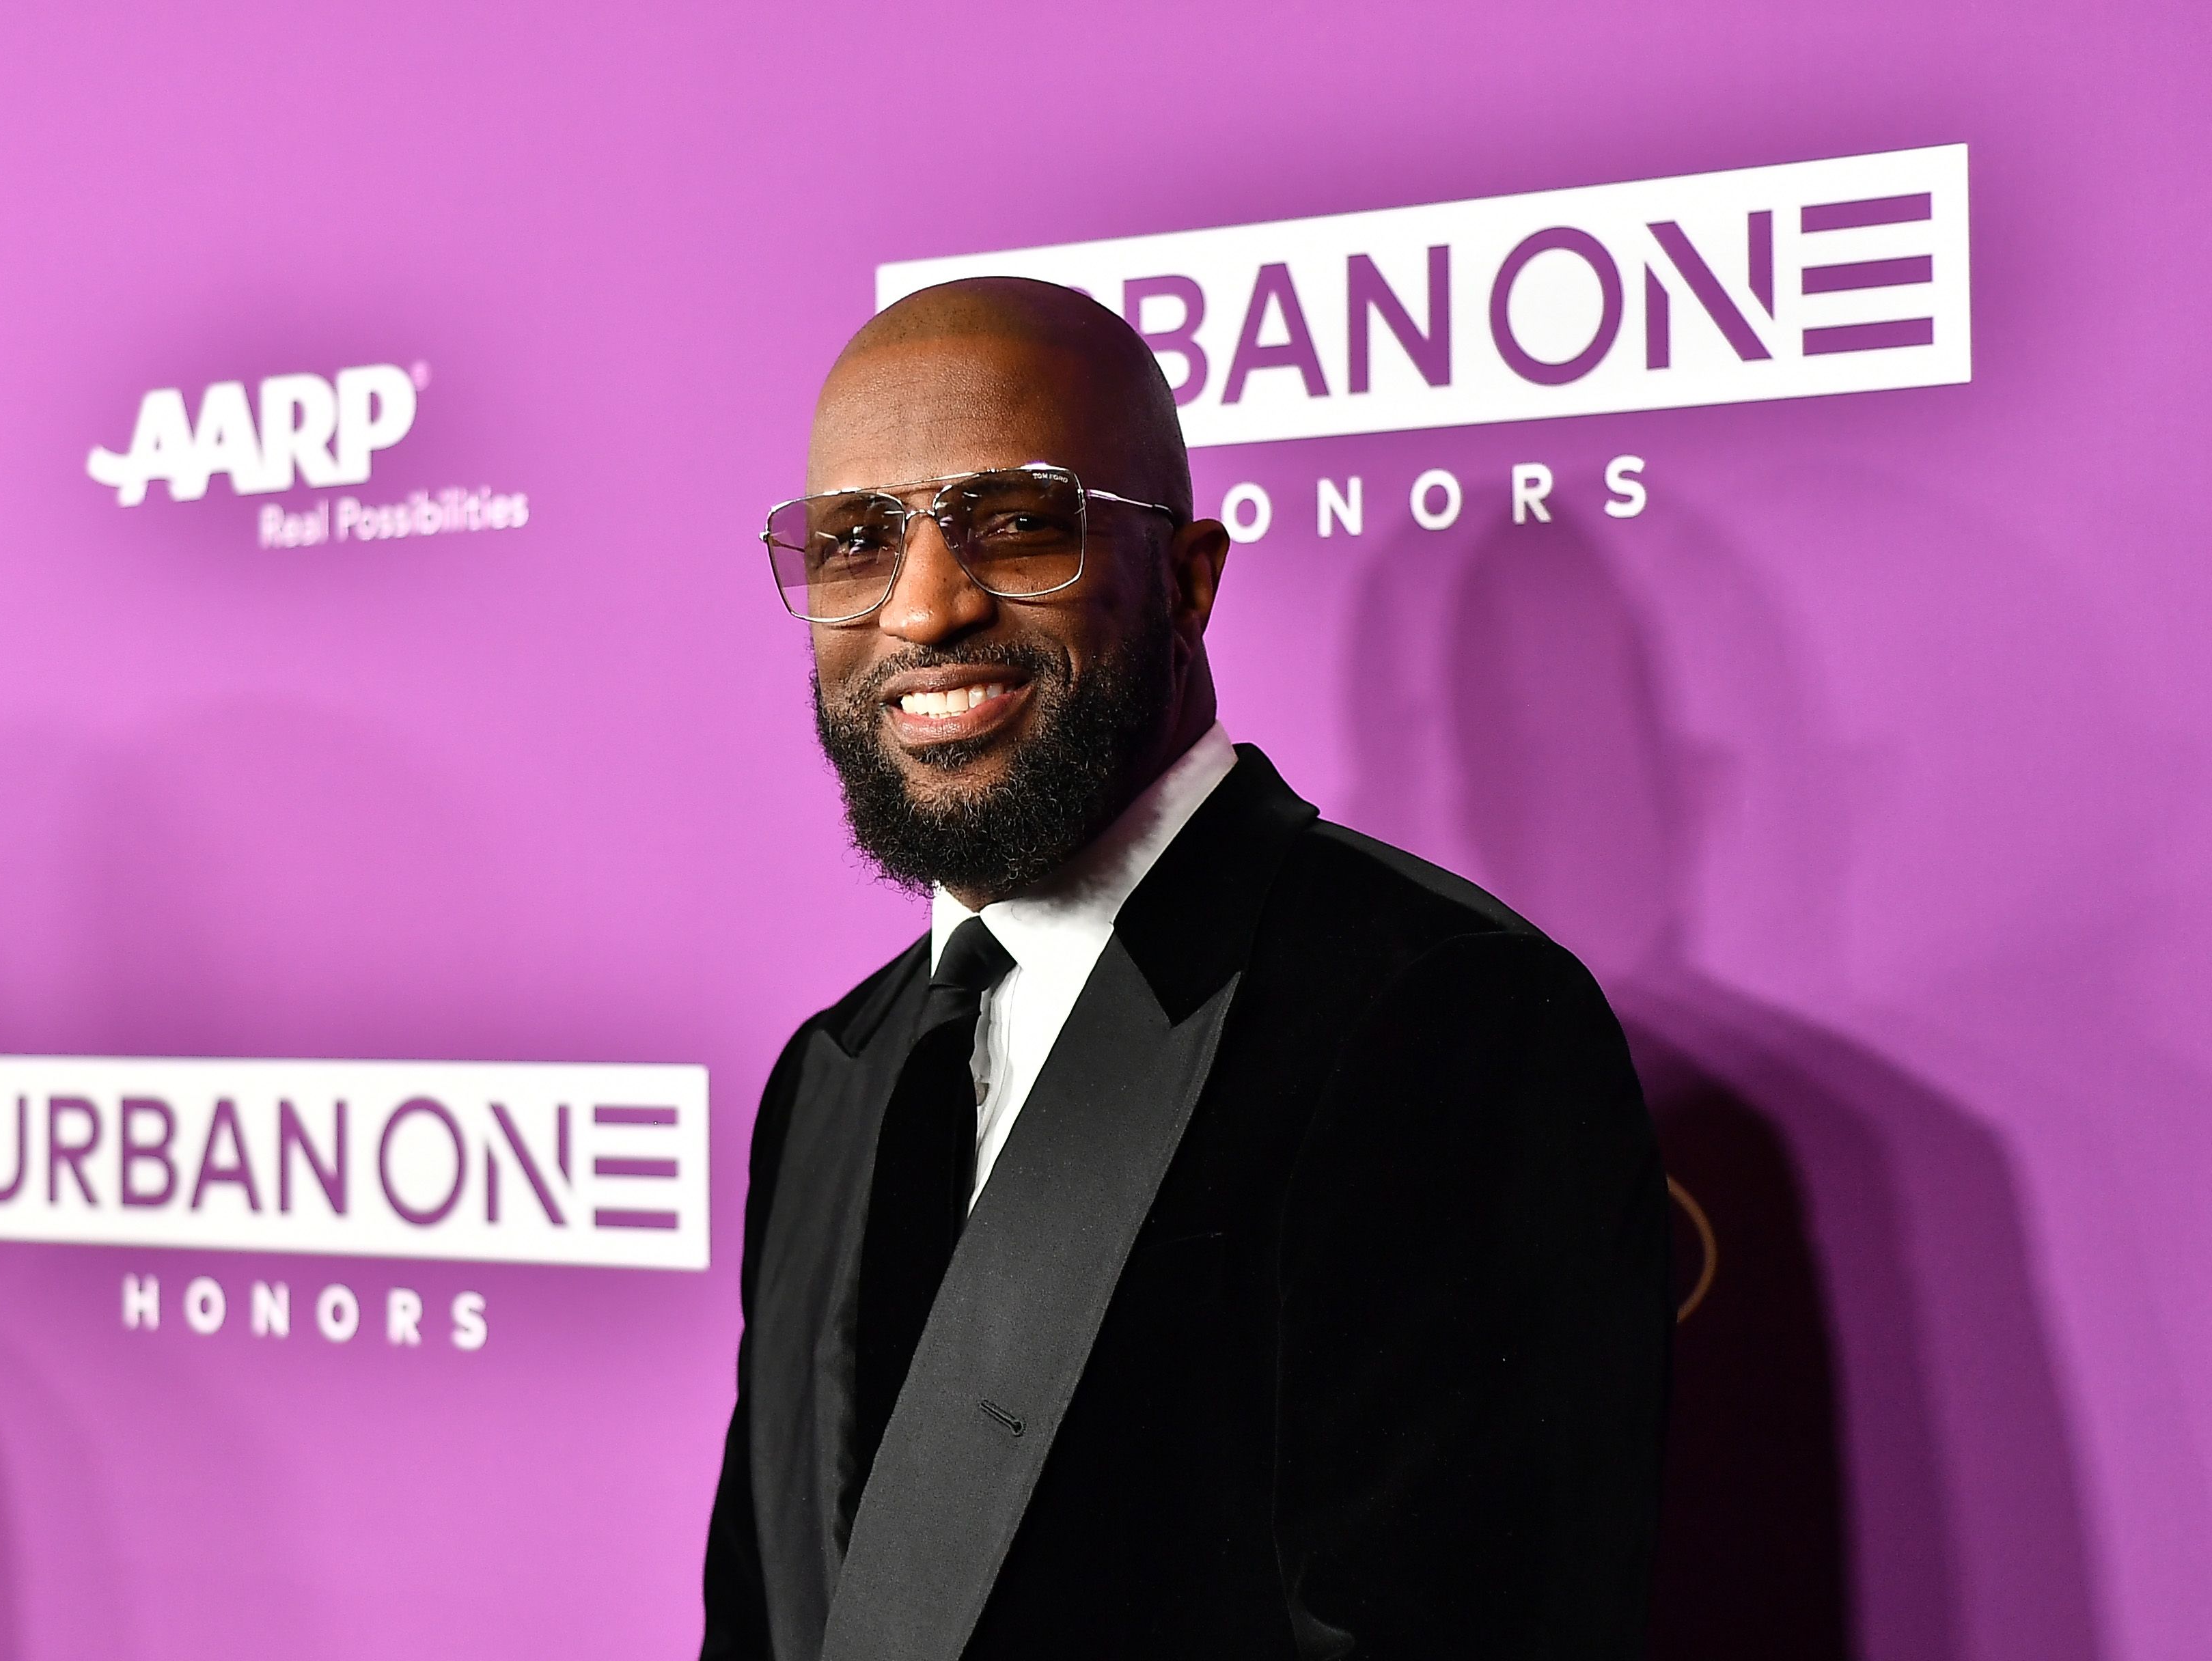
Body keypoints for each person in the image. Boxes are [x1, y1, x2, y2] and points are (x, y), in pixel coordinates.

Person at [700, 276, 1671, 1661]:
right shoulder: (830, 1074)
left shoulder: (1442, 1014)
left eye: (1015, 522)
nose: (922, 609)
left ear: (1189, 579)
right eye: (856, 542)